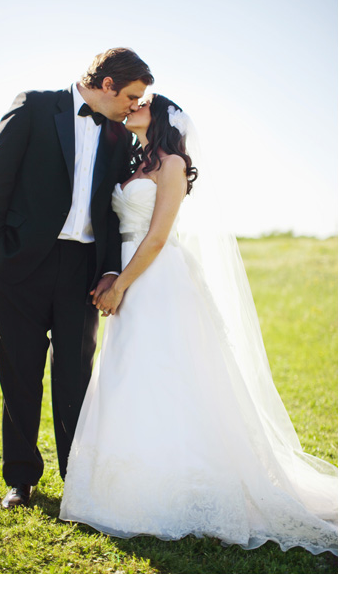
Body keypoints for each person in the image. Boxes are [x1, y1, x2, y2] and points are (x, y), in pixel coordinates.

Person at [59, 94, 338, 555]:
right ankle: (128, 483)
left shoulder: (171, 165)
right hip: (127, 275)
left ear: (163, 116)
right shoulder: (133, 161)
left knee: (167, 376)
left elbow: (158, 236)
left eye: (143, 102)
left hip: (156, 279)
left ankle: (182, 486)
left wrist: (121, 284)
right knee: (130, 377)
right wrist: (110, 273)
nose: (133, 106)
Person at [0, 48, 153, 508]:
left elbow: (115, 210)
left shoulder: (119, 134)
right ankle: (20, 479)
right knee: (19, 374)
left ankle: (77, 477)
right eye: (132, 95)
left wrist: (111, 268)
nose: (135, 105)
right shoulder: (33, 105)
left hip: (84, 270)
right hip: (20, 266)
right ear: (108, 84)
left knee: (75, 374)